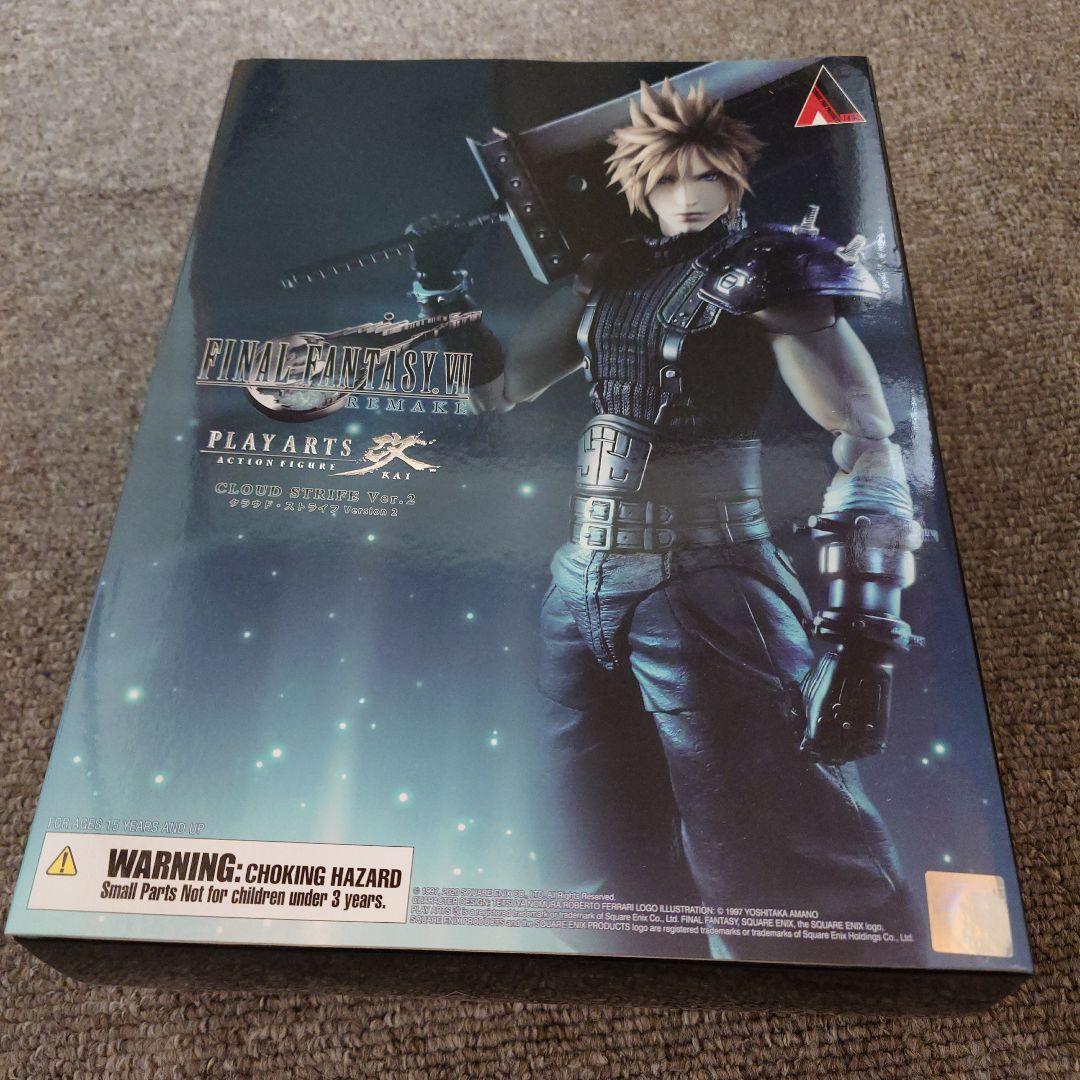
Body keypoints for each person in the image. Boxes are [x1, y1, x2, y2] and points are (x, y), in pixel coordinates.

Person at [408, 78, 924, 961]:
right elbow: (496, 390)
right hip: (581, 585)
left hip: (708, 585)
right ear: (637, 185)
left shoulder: (769, 268)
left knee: (788, 873)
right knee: (596, 877)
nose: (689, 196)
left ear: (736, 177)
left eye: (708, 176)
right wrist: (441, 286)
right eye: (668, 179)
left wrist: (864, 637)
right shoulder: (613, 273)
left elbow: (869, 437)